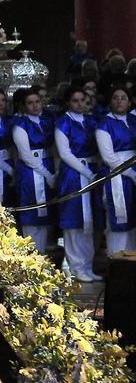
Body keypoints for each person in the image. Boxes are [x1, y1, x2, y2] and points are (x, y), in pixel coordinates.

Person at [55, 86, 103, 281]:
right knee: (75, 222)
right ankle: (76, 266)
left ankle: (87, 265)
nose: (80, 104)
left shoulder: (92, 122)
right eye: (75, 101)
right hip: (73, 175)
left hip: (92, 171)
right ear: (68, 102)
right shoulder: (63, 123)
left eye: (83, 100)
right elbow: (65, 153)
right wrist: (86, 172)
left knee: (90, 223)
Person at [11, 88, 57, 253]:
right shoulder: (20, 125)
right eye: (30, 103)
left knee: (45, 214)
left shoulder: (46, 121)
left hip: (47, 164)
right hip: (31, 171)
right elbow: (26, 155)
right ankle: (32, 253)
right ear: (24, 106)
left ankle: (43, 253)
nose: (35, 106)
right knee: (32, 212)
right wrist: (47, 174)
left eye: (37, 102)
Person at [96, 86, 136, 256]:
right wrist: (132, 174)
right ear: (110, 101)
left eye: (123, 98)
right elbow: (108, 156)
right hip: (117, 174)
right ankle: (116, 264)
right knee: (118, 221)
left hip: (133, 172)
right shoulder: (104, 123)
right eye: (115, 97)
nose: (119, 101)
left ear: (129, 102)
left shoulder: (133, 120)